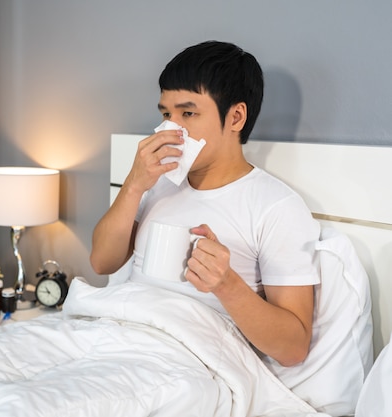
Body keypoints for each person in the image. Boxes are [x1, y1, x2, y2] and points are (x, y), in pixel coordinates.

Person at [90, 41, 320, 367]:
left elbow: (293, 349)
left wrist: (227, 285)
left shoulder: (276, 207)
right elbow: (102, 263)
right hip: (115, 338)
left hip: (187, 362)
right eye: (166, 114)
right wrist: (134, 184)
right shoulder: (160, 184)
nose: (171, 128)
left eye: (188, 113)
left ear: (236, 116)